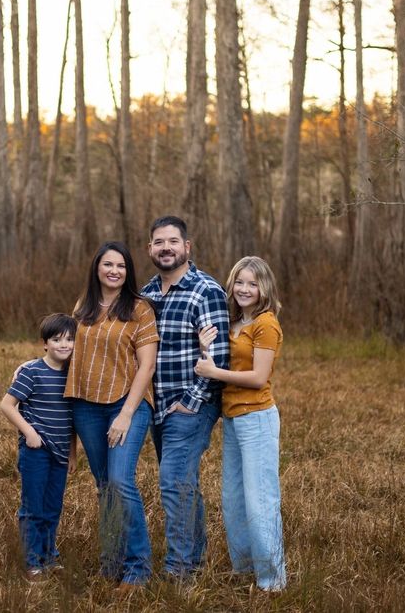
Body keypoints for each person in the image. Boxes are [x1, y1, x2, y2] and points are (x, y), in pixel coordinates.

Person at [139, 216, 230, 581]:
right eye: (159, 242)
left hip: (192, 404)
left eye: (173, 241)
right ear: (150, 249)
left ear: (187, 247)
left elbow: (219, 354)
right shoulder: (145, 294)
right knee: (183, 482)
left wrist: (191, 401)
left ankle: (178, 572)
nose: (166, 248)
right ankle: (193, 560)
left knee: (173, 480)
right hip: (158, 406)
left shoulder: (205, 289)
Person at [64, 241, 159, 589]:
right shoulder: (82, 308)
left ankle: (138, 566)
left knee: (120, 481)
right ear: (97, 268)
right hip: (86, 406)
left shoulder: (139, 309)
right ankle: (111, 561)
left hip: (126, 404)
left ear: (128, 271)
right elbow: (65, 355)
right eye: (108, 264)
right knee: (105, 486)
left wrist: (126, 414)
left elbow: (147, 365)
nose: (114, 271)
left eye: (121, 265)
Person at [194, 256, 287, 591]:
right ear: (231, 284)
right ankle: (245, 569)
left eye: (253, 283)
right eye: (240, 282)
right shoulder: (232, 321)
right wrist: (205, 349)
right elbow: (216, 363)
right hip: (232, 419)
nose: (245, 289)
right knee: (233, 498)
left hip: (258, 418)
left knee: (260, 498)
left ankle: (271, 581)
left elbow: (259, 377)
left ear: (264, 287)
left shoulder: (266, 324)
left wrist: (214, 372)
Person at [0, 313, 79, 579]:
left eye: (69, 340)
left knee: (53, 506)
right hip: (36, 451)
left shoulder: (73, 375)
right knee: (33, 506)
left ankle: (49, 555)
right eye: (57, 340)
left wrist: (72, 453)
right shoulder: (32, 371)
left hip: (60, 452)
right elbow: (6, 405)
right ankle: (31, 560)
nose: (64, 345)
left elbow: (72, 421)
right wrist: (29, 432)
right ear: (45, 343)